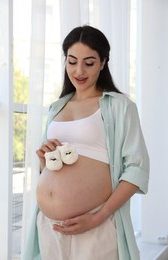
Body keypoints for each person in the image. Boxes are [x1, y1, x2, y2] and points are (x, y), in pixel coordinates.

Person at [22, 25, 149, 260]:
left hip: (96, 224)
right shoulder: (56, 107)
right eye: (72, 61)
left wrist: (97, 218)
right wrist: (43, 160)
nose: (79, 70)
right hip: (50, 226)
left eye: (89, 63)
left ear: (103, 62)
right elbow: (48, 170)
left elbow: (137, 169)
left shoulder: (120, 106)